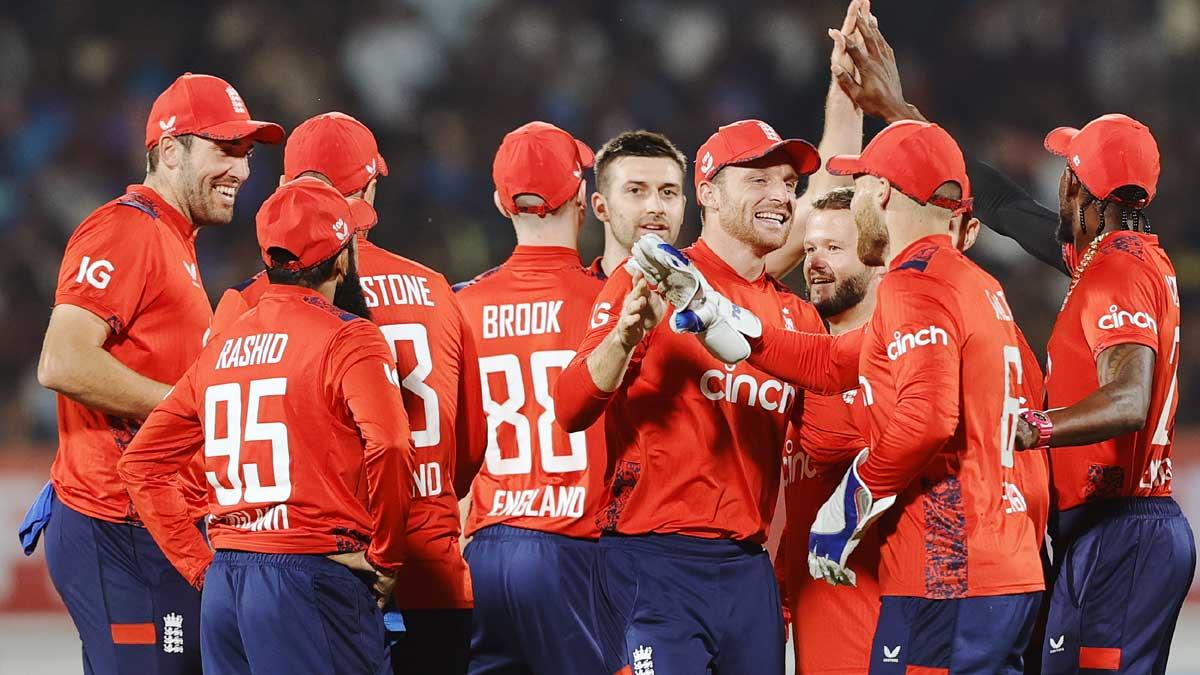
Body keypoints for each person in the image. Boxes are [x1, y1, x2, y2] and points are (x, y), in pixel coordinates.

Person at [826, 11, 1192, 671]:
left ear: (1078, 185)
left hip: (1121, 527)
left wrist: (1035, 427)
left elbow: (1130, 395)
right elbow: (999, 204)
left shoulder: (1113, 270)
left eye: (1066, 169)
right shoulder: (1121, 259)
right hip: (1105, 527)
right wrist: (905, 118)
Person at [650, 120, 1046, 673]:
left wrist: (850, 503)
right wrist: (728, 320)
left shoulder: (915, 282)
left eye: (859, 184)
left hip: (947, 570)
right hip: (1008, 567)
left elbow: (928, 418)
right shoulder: (975, 285)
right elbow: (832, 361)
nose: (854, 195)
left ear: (880, 194)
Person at [210, 112, 485, 675]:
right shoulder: (436, 288)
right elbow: (471, 446)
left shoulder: (251, 301)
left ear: (286, 191)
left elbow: (215, 446)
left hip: (323, 567)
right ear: (372, 188)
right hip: (431, 565)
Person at [31, 72, 282, 674]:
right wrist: (188, 408)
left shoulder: (174, 238)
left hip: (151, 524)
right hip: (114, 525)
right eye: (225, 150)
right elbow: (62, 360)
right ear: (169, 150)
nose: (243, 171)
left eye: (246, 154)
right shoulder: (126, 229)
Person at [555, 117, 824, 675]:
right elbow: (570, 407)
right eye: (758, 180)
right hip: (653, 562)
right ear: (707, 194)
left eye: (788, 185)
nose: (780, 196)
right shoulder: (651, 278)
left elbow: (826, 442)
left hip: (750, 569)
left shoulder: (797, 318)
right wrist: (626, 338)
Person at [117, 177, 413, 675]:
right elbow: (389, 444)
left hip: (230, 584)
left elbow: (141, 464)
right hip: (311, 576)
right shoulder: (349, 338)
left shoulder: (224, 346)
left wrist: (203, 568)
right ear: (342, 259)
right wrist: (387, 555)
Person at [453, 121, 610, 674]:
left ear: (501, 203)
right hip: (577, 545)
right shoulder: (610, 302)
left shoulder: (460, 305)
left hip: (484, 548)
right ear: (584, 203)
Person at [776, 187, 884, 674]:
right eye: (810, 248)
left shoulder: (905, 361)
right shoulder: (787, 353)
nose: (816, 262)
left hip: (876, 602)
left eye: (835, 249)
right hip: (793, 602)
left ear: (878, 257)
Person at [588, 130, 689, 277]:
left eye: (668, 193)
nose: (656, 208)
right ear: (601, 208)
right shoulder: (566, 296)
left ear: (683, 208)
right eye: (635, 191)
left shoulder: (708, 296)